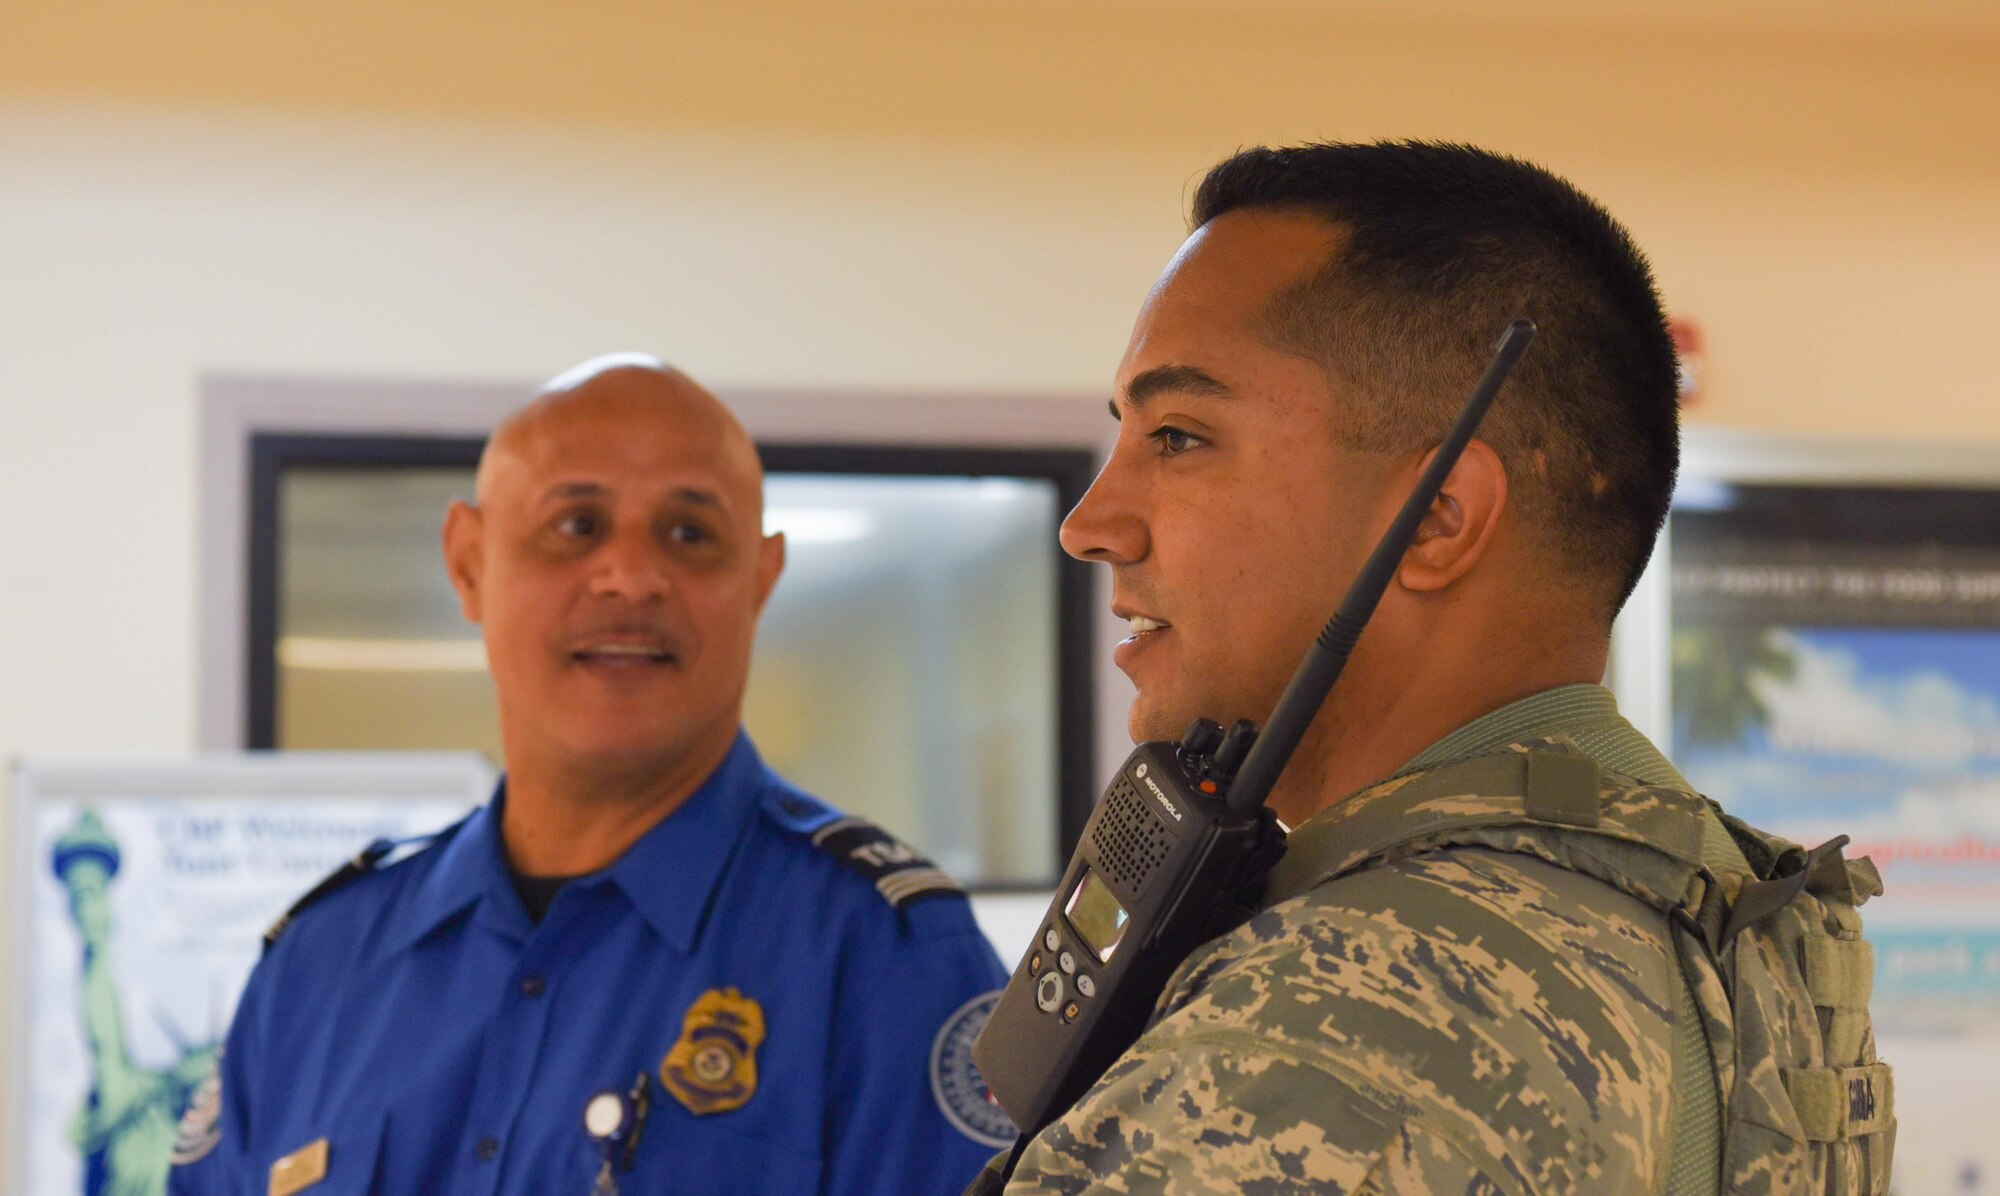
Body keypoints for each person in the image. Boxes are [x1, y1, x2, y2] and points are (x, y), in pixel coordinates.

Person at [998, 142, 1892, 1193]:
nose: (1090, 523)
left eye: (1179, 435)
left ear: (1435, 517)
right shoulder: (1725, 920)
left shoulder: (1316, 1028)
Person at [169, 355, 1012, 1196]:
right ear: (468, 564)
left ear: (759, 580)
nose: (631, 577)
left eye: (690, 535)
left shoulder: (885, 962)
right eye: (576, 526)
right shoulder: (318, 966)